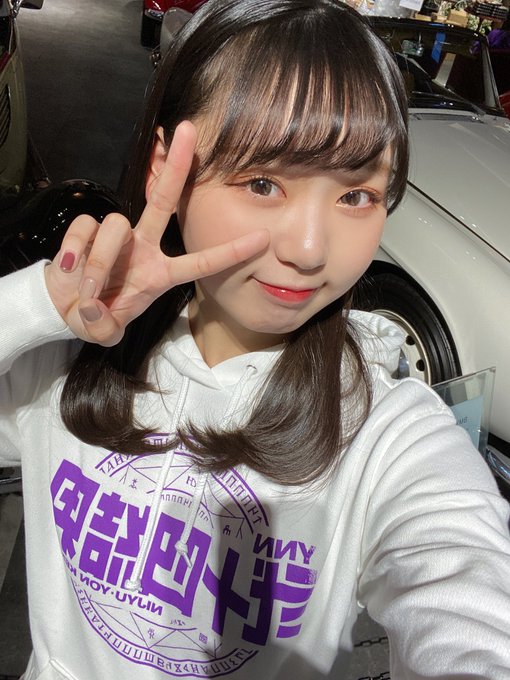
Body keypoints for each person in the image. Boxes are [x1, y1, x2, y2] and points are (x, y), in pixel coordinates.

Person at [1, 0, 510, 678]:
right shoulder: (65, 359)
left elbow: (468, 600)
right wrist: (37, 305)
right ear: (166, 167)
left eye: (356, 196)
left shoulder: (387, 434)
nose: (309, 249)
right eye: (264, 182)